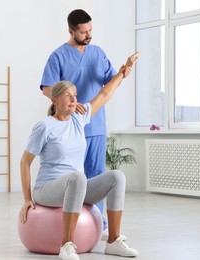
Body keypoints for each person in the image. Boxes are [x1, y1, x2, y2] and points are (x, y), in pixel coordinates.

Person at [20, 52, 140, 260]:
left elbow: (104, 95)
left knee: (116, 177)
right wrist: (27, 199)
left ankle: (113, 241)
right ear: (55, 99)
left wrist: (122, 72)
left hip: (76, 187)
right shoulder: (45, 126)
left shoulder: (78, 119)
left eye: (75, 95)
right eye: (69, 95)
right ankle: (67, 245)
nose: (74, 99)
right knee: (77, 177)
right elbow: (25, 162)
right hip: (47, 189)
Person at [39, 9, 122, 229]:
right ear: (71, 31)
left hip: (95, 125)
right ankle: (67, 223)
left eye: (90, 30)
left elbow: (110, 83)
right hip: (70, 127)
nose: (88, 35)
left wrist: (124, 71)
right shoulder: (58, 56)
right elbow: (47, 88)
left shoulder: (97, 53)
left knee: (96, 175)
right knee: (70, 176)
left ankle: (98, 225)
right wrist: (68, 101)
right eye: (83, 32)